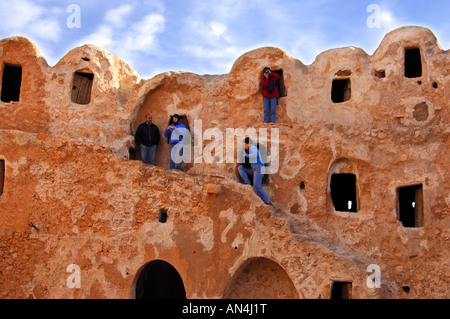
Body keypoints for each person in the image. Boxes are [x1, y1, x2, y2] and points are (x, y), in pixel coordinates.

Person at [238, 137, 272, 205]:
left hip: (259, 169)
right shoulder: (249, 149)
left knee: (257, 186)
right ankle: (247, 182)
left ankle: (267, 201)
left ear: (248, 144)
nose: (244, 146)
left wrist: (246, 155)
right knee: (241, 168)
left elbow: (255, 154)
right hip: (254, 170)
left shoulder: (253, 148)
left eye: (245, 144)